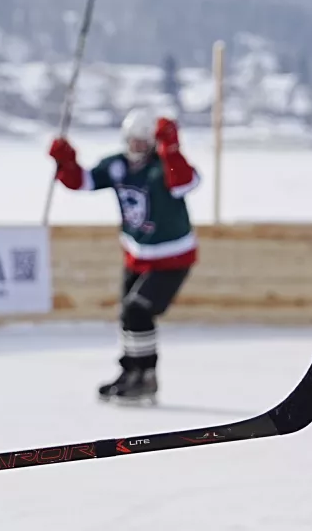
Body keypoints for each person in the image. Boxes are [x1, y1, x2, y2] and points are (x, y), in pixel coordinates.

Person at [48, 109, 199, 403]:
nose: (137, 149)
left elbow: (184, 181)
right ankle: (132, 371)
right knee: (128, 316)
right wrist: (65, 161)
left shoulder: (162, 167)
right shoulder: (117, 166)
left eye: (143, 143)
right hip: (137, 255)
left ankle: (147, 376)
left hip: (172, 257)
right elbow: (82, 181)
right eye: (133, 142)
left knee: (138, 310)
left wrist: (172, 147)